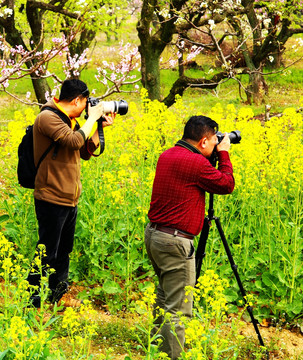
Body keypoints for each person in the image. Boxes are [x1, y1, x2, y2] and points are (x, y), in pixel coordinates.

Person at [145, 115, 235, 359]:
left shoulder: (168, 154)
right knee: (179, 309)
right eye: (215, 140)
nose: (217, 144)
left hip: (154, 235)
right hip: (175, 242)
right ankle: (171, 356)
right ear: (204, 141)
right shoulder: (196, 164)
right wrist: (224, 154)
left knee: (164, 298)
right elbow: (226, 184)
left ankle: (156, 351)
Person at [27, 79, 115, 308]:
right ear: (77, 100)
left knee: (64, 251)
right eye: (86, 103)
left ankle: (56, 295)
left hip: (69, 197)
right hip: (51, 196)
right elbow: (74, 141)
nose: (87, 108)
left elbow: (84, 151)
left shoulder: (68, 120)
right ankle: (32, 297)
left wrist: (99, 129)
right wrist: (92, 119)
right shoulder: (48, 117)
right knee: (47, 250)